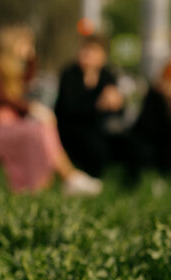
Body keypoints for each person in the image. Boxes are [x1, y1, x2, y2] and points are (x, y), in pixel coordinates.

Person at [0, 24, 103, 196]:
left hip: (9, 126)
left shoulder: (12, 66)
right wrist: (33, 108)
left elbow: (27, 82)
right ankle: (62, 179)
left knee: (41, 130)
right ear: (13, 43)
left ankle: (50, 183)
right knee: (38, 131)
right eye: (25, 44)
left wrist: (31, 59)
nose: (28, 49)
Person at [54, 33, 125, 178]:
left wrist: (117, 103)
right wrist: (98, 105)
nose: (87, 54)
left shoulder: (107, 75)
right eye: (85, 49)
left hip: (99, 127)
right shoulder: (70, 74)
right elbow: (69, 109)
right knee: (93, 145)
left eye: (93, 51)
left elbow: (117, 109)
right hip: (71, 128)